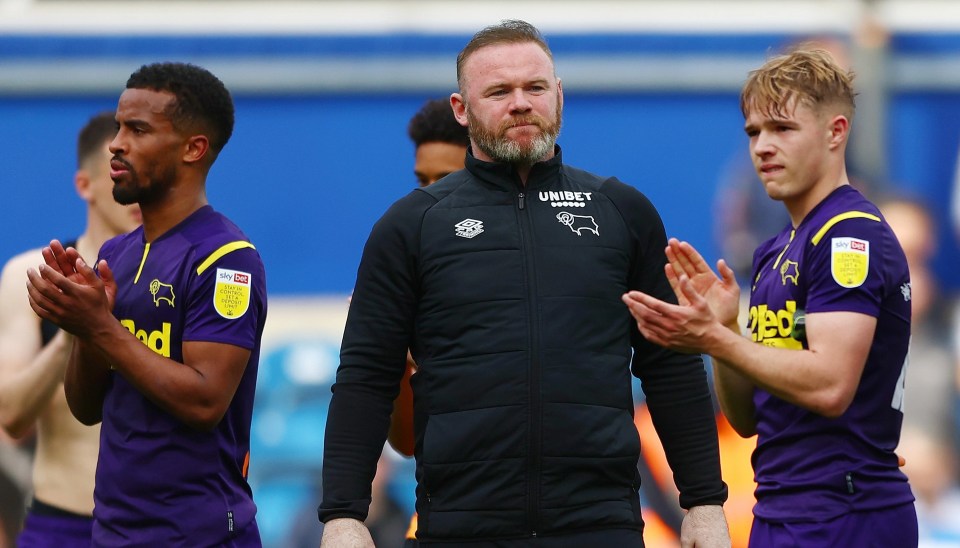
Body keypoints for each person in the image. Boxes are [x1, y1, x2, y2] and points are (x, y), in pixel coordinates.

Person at [319, 19, 729, 547]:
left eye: (535, 88)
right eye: (498, 91)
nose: (520, 103)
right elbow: (365, 378)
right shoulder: (410, 226)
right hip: (460, 530)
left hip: (600, 528)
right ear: (462, 109)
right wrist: (343, 516)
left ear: (558, 97)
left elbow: (671, 368)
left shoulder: (621, 211)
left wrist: (703, 503)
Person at [622, 47, 918, 546]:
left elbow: (829, 386)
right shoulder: (775, 251)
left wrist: (716, 339)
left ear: (836, 132)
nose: (762, 146)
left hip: (846, 510)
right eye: (753, 132)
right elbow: (746, 420)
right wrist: (725, 334)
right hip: (781, 506)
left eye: (782, 129)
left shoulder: (851, 237)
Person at [24, 62, 267, 546]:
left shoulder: (226, 261)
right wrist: (81, 327)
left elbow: (204, 401)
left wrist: (101, 328)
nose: (116, 143)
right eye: (118, 127)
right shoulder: (117, 254)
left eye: (138, 130)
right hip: (114, 533)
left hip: (200, 537)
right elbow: (86, 407)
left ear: (193, 148)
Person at [0, 111, 141, 546]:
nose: (135, 189)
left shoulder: (174, 280)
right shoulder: (34, 275)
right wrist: (72, 331)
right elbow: (11, 415)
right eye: (119, 174)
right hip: (62, 524)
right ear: (85, 185)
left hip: (153, 526)